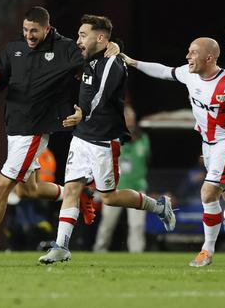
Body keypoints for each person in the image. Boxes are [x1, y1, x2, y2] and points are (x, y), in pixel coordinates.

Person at [0, 7, 119, 265]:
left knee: (0, 187)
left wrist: (113, 45)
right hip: (13, 128)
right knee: (29, 191)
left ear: (47, 28)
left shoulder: (64, 48)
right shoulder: (14, 49)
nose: (29, 35)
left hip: (33, 130)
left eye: (34, 30)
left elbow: (93, 56)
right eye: (25, 29)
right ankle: (76, 193)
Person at [121, 38, 225, 267]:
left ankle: (207, 250)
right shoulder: (189, 73)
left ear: (209, 58)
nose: (188, 56)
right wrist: (132, 62)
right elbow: (164, 71)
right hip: (209, 145)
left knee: (207, 193)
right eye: (188, 51)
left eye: (193, 52)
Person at [38, 14, 175, 264]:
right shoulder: (88, 57)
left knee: (110, 197)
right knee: (71, 188)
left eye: (82, 35)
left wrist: (84, 113)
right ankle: (62, 246)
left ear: (100, 38)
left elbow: (100, 96)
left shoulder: (114, 62)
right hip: (81, 138)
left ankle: (159, 207)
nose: (78, 40)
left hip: (103, 140)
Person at [92, 105, 150, 253]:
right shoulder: (113, 138)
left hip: (137, 187)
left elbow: (147, 161)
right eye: (126, 119)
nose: (129, 122)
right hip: (115, 188)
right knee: (107, 223)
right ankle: (100, 250)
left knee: (136, 225)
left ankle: (136, 253)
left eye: (131, 119)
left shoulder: (143, 139)